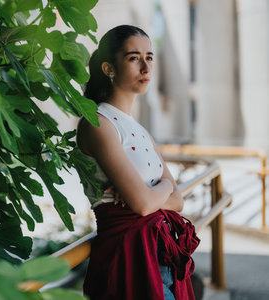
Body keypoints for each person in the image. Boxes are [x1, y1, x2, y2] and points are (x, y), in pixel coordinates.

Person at [77, 25, 200, 300]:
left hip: (161, 254)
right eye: (134, 58)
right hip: (128, 257)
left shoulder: (140, 130)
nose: (146, 67)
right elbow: (144, 204)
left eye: (150, 57)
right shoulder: (98, 123)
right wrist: (159, 189)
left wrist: (160, 190)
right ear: (109, 68)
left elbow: (176, 201)